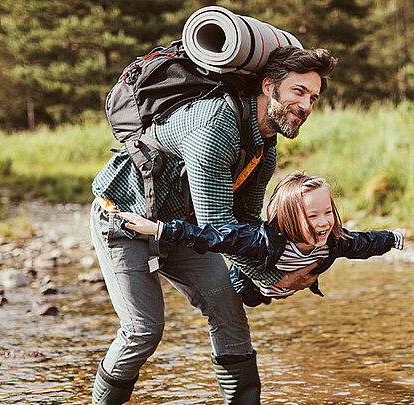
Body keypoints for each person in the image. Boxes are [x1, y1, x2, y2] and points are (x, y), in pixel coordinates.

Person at [89, 46, 337, 405]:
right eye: (298, 92)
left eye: (313, 97)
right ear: (269, 87)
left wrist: (258, 275)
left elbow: (248, 224)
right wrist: (273, 278)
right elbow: (219, 225)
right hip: (125, 220)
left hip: (183, 229)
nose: (306, 106)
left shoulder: (264, 148)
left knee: (229, 314)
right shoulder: (216, 125)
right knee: (143, 331)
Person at [118, 172, 406, 305]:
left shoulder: (335, 241)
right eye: (312, 216)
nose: (323, 223)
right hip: (251, 286)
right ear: (291, 218)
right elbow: (213, 237)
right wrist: (159, 229)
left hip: (288, 287)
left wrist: (393, 238)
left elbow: (365, 243)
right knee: (253, 301)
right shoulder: (263, 240)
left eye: (327, 212)